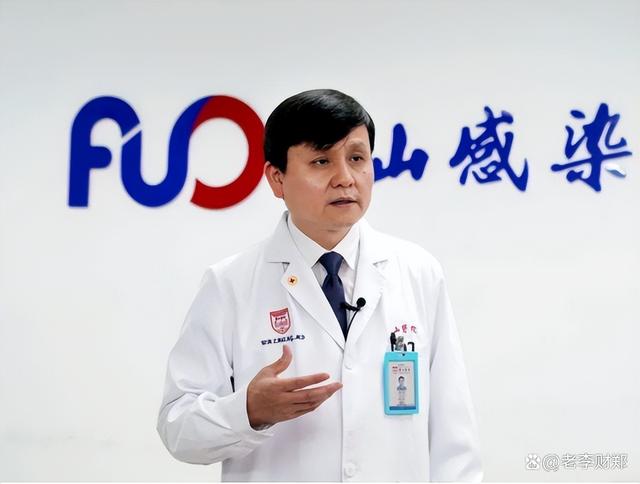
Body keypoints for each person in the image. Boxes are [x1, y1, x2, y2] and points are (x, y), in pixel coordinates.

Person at [157, 89, 482, 481]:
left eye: (357, 159)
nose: (345, 178)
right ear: (277, 178)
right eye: (321, 161)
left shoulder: (418, 272)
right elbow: (178, 427)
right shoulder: (230, 285)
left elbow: (453, 437)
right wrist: (248, 411)